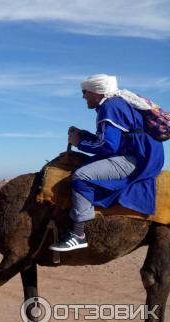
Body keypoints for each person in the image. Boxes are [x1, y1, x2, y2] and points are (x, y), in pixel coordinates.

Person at [50, 74, 165, 252]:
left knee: (81, 176)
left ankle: (78, 234)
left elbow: (108, 145)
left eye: (85, 92)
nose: (84, 97)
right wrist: (84, 135)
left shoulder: (110, 107)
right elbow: (116, 140)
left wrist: (78, 142)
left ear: (98, 93)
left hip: (137, 159)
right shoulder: (117, 103)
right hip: (141, 155)